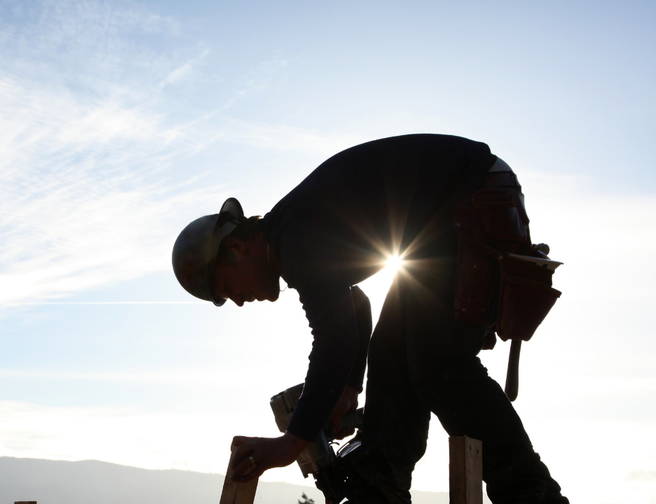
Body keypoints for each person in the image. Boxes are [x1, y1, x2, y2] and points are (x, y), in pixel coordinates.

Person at [172, 134, 568, 504]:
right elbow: (355, 305)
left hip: (471, 198)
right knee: (392, 355)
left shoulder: (294, 238)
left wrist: (291, 443)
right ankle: (376, 490)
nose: (239, 302)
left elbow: (334, 336)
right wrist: (348, 386)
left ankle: (532, 496)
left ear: (238, 248)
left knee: (438, 363)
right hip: (442, 226)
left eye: (228, 287)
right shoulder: (291, 235)